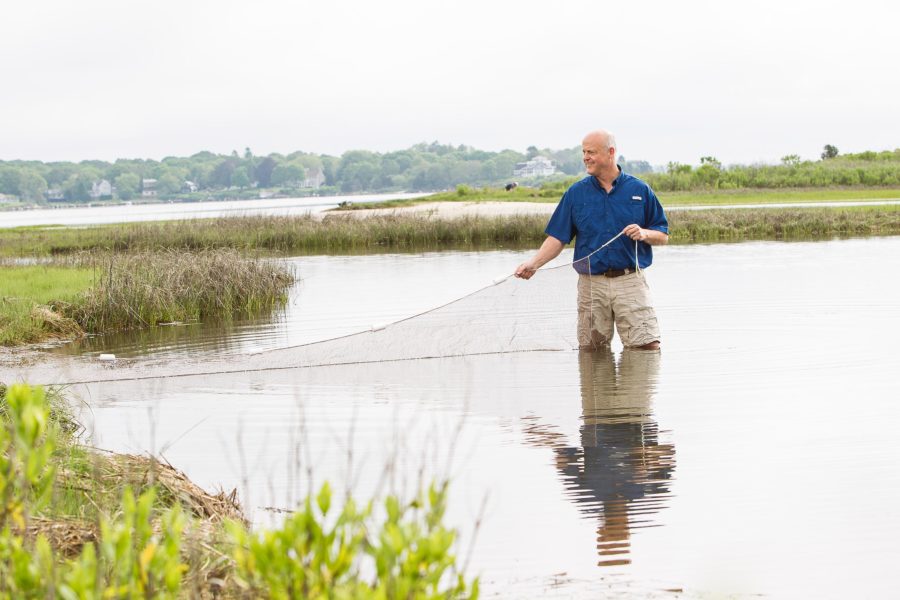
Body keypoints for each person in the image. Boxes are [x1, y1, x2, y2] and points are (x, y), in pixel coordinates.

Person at [515, 130, 668, 350]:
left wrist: (645, 233)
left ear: (611, 153)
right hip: (591, 285)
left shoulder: (640, 190)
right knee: (591, 351)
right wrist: (534, 263)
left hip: (630, 281)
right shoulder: (576, 194)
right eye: (584, 152)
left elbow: (662, 235)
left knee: (647, 346)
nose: (585, 157)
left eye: (591, 152)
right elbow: (557, 238)